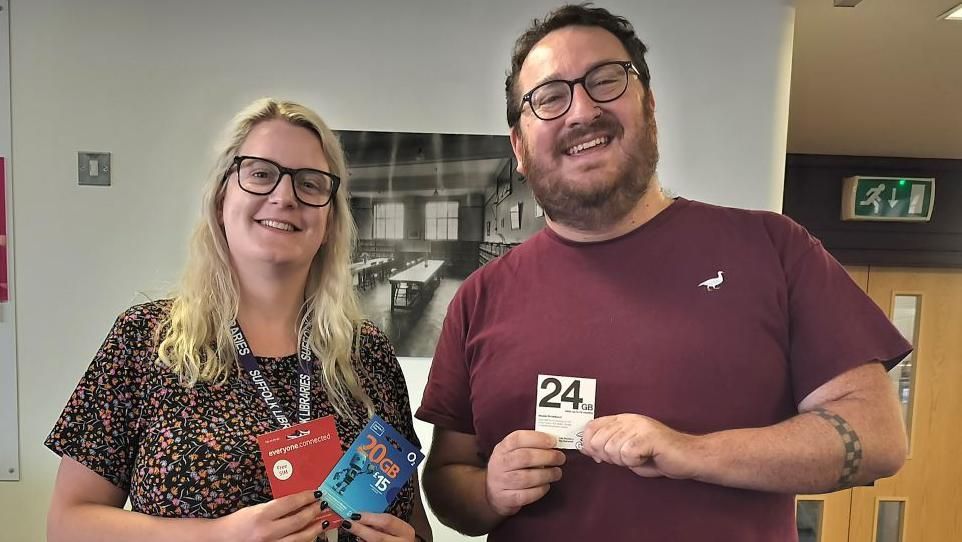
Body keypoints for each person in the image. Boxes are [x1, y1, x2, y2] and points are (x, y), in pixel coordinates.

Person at [416, 4, 911, 540]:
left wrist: (692, 452)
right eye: (550, 97)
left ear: (649, 106)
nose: (581, 111)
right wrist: (489, 491)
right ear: (518, 146)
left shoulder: (772, 248)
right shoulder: (480, 297)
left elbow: (878, 436)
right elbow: (446, 481)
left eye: (605, 81)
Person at [46, 98, 431, 542]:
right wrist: (216, 536)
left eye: (310, 183)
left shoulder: (368, 353)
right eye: (261, 174)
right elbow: (68, 524)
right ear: (221, 195)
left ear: (330, 218)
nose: (284, 197)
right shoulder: (147, 340)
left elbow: (414, 522)